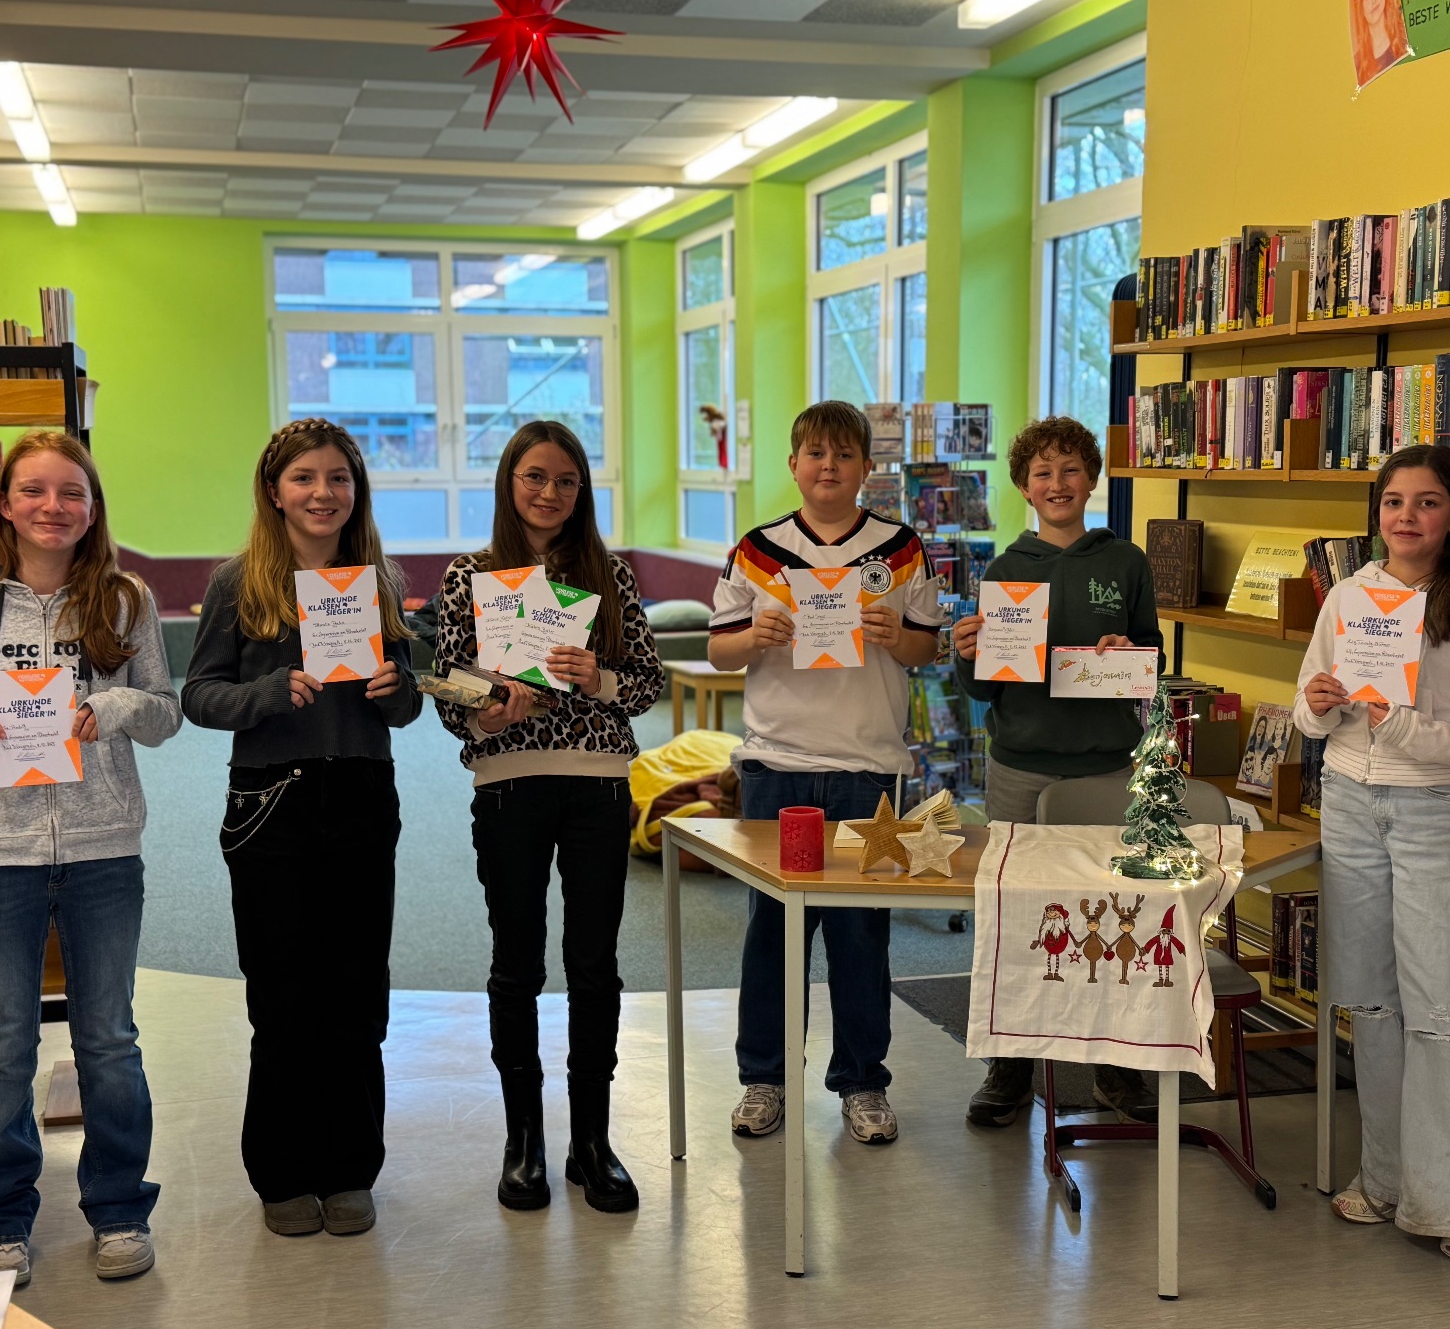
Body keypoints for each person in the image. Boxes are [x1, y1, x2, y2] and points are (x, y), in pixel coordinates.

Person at [0, 430, 182, 1289]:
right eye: (34, 490)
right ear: (5, 504)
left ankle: (120, 1208)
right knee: (4, 1042)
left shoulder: (125, 598)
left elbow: (166, 715)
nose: (53, 507)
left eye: (72, 493)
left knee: (109, 1039)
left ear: (93, 510)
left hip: (103, 847)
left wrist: (118, 706)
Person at [1293, 444, 1450, 1293]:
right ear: (1378, 512)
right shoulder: (1348, 597)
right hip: (1348, 808)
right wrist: (1317, 709)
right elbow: (1307, 703)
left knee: (1441, 1009)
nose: (1407, 516)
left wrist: (1405, 730)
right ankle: (1390, 1180)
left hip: (1431, 811)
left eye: (1427, 502)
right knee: (1372, 1000)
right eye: (1394, 501)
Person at [183, 418, 421, 1238]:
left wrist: (396, 689)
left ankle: (349, 1168)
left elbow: (407, 704)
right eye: (305, 479)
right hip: (270, 805)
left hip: (361, 795)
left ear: (357, 491)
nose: (323, 493)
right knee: (283, 995)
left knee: (357, 993)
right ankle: (282, 1173)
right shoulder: (237, 583)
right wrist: (265, 692)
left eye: (338, 479)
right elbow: (199, 694)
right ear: (274, 491)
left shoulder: (377, 581)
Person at [433, 420, 663, 1214]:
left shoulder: (610, 572)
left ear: (581, 490)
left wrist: (599, 678)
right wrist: (485, 712)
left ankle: (591, 1142)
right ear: (509, 481)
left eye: (566, 480)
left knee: (594, 965)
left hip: (598, 785)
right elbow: (448, 689)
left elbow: (648, 684)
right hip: (509, 785)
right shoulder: (470, 575)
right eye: (535, 476)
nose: (550, 492)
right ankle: (523, 1141)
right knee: (517, 966)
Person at [708, 400, 943, 1145]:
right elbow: (718, 651)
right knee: (772, 932)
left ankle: (864, 1082)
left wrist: (896, 634)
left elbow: (927, 650)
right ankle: (764, 1079)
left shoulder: (900, 548)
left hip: (867, 767)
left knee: (860, 936)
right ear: (793, 464)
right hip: (775, 763)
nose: (829, 466)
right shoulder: (758, 550)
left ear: (866, 468)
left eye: (843, 455)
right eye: (815, 453)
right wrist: (754, 634)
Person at [950, 416, 1162, 1127]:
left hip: (1106, 769)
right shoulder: (1004, 572)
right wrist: (966, 654)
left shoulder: (1125, 562)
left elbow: (1151, 665)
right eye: (1043, 473)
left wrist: (1128, 654)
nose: (1058, 483)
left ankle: (1116, 1067)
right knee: (1015, 916)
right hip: (1021, 767)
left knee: (1114, 914)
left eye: (1071, 470)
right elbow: (985, 688)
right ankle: (1008, 1067)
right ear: (1023, 487)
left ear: (1092, 479)